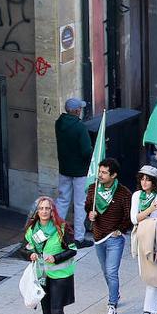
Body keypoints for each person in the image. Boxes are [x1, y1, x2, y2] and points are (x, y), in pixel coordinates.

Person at [24, 195, 78, 314]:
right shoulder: (31, 229)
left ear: (52, 210)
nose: (44, 211)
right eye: (41, 208)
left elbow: (73, 249)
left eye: (47, 208)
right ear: (37, 211)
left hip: (60, 275)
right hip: (42, 275)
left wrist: (55, 258)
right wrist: (31, 254)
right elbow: (25, 248)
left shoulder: (62, 228)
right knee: (46, 310)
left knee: (56, 309)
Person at [84, 157, 132, 314]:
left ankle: (112, 304)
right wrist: (90, 213)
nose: (100, 175)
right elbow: (87, 205)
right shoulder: (93, 188)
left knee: (111, 271)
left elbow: (129, 216)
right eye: (100, 172)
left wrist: (120, 230)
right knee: (105, 271)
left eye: (104, 173)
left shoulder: (123, 193)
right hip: (98, 236)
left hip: (114, 238)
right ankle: (115, 292)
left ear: (114, 175)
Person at [130, 165, 157, 314]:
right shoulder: (137, 196)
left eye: (148, 179)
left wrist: (142, 217)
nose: (145, 182)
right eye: (142, 179)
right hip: (141, 237)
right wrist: (150, 210)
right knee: (144, 274)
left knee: (152, 275)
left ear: (154, 181)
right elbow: (133, 219)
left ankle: (148, 312)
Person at [54, 97, 92, 246]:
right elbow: (86, 150)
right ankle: (79, 237)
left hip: (64, 168)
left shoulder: (59, 123)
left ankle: (56, 233)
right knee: (80, 203)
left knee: (62, 201)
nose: (81, 110)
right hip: (80, 171)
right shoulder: (79, 127)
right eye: (80, 109)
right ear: (76, 110)